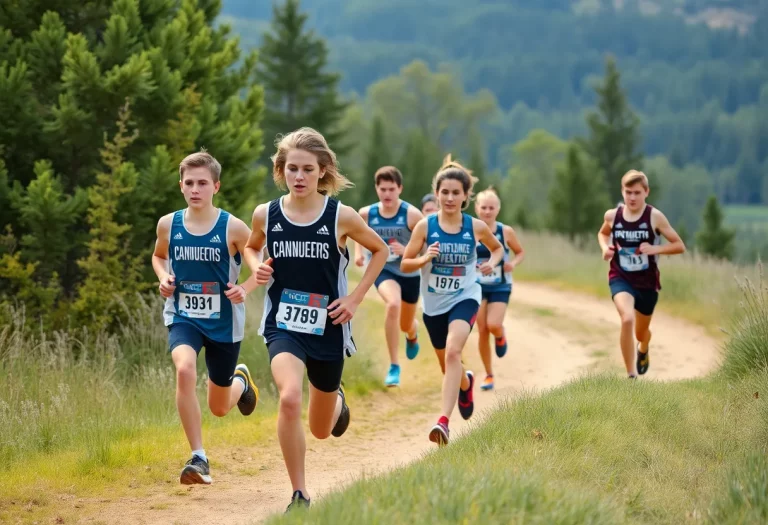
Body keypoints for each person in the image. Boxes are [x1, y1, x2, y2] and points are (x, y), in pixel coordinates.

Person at [245, 127, 388, 511]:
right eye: (292, 169)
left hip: (329, 327)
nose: (299, 177)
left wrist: (355, 299)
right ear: (281, 170)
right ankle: (299, 494)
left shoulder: (340, 216)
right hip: (283, 325)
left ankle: (335, 401)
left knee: (321, 430)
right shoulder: (267, 214)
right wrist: (256, 268)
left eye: (308, 169)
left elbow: (381, 250)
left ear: (323, 171)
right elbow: (250, 246)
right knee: (290, 398)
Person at [152, 151, 260, 485]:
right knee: (184, 369)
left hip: (224, 324)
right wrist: (163, 278)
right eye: (189, 183)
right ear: (181, 186)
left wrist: (246, 287)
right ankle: (198, 457)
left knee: (219, 407)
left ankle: (240, 382)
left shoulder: (234, 228)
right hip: (183, 315)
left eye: (202, 183)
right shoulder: (169, 224)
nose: (195, 189)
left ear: (216, 186)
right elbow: (158, 257)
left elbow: (262, 264)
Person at [401, 155, 503, 446]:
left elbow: (497, 250)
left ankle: (443, 422)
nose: (449, 197)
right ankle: (466, 382)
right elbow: (406, 263)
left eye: (456, 192)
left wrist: (490, 264)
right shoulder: (424, 226)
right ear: (437, 194)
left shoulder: (475, 227)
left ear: (466, 196)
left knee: (453, 353)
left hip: (465, 296)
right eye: (444, 192)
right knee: (449, 366)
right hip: (433, 304)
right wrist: (425, 258)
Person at [597, 170, 686, 378]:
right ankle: (631, 375)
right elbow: (603, 233)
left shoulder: (654, 217)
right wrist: (604, 248)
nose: (632, 197)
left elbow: (679, 245)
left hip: (647, 283)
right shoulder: (613, 216)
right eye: (628, 192)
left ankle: (643, 347)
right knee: (627, 319)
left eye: (637, 192)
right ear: (622, 191)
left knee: (640, 332)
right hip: (620, 277)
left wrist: (655, 249)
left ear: (646, 192)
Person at [355, 166, 424, 387]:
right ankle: (394, 366)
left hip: (409, 272)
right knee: (392, 305)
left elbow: (427, 244)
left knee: (405, 324)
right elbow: (357, 234)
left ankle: (412, 332)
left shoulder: (412, 215)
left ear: (400, 189)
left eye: (391, 189)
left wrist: (408, 251)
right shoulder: (367, 214)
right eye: (382, 189)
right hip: (383, 270)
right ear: (376, 188)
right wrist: (358, 255)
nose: (387, 194)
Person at [474, 187, 525, 391]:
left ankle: (500, 334)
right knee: (482, 330)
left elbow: (520, 252)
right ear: (477, 208)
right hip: (476, 286)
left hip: (500, 286)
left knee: (493, 324)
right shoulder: (471, 229)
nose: (487, 211)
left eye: (491, 208)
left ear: (498, 209)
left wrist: (512, 263)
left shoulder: (505, 231)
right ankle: (488, 374)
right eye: (484, 207)